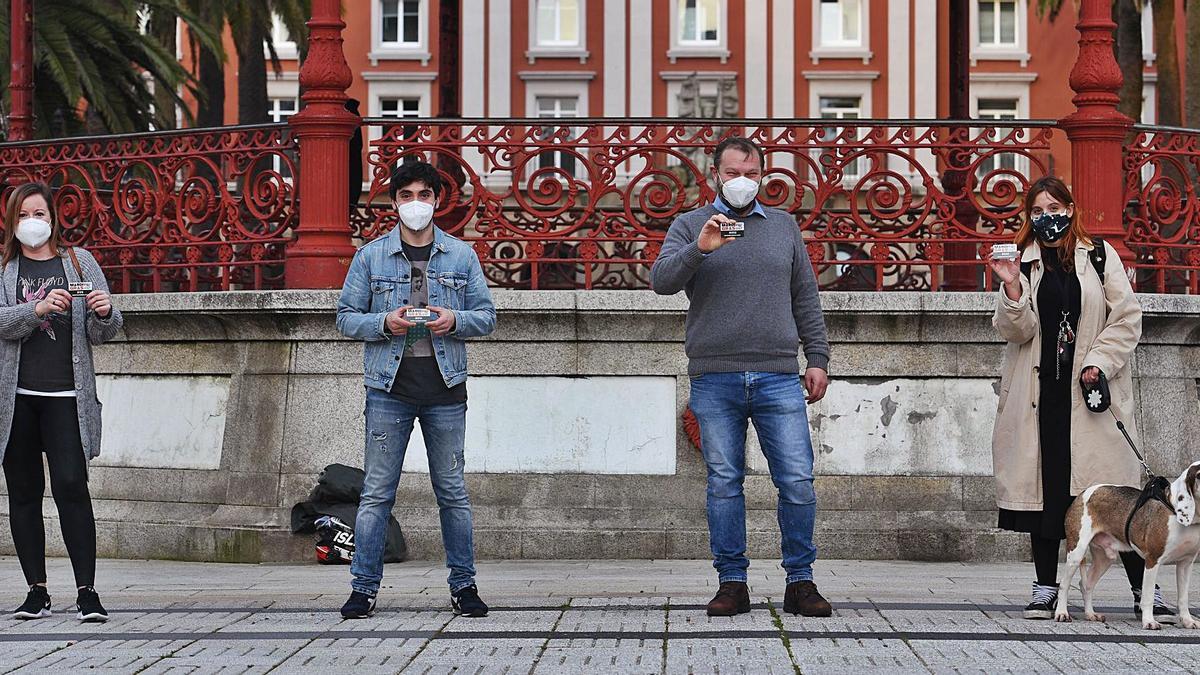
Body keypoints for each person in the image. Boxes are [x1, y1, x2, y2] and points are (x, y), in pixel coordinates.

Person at [650, 137, 833, 617]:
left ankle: (801, 581)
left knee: (797, 480)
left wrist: (817, 358)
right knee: (724, 482)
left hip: (778, 374)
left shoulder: (784, 226)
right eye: (732, 173)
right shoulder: (690, 224)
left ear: (762, 174)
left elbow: (805, 297)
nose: (741, 181)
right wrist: (700, 248)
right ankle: (732, 582)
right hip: (715, 376)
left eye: (750, 173)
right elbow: (662, 281)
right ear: (716, 176)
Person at [988, 175, 1174, 622]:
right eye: (1036, 211)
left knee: (1114, 491)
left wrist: (1099, 361)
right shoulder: (1023, 263)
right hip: (1040, 395)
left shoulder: (1098, 254)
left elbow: (1128, 317)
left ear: (1070, 210)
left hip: (1090, 393)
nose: (1045, 217)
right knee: (1045, 491)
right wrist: (1011, 288)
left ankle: (1143, 590)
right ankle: (1045, 589)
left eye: (1053, 208)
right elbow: (1017, 331)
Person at [336, 160, 496, 619]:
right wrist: (384, 322)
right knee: (377, 492)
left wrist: (457, 320)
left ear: (437, 201)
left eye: (424, 195)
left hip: (446, 390)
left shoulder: (462, 256)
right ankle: (363, 589)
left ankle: (464, 587)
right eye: (406, 196)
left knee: (452, 491)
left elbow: (487, 315)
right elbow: (346, 317)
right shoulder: (370, 256)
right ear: (394, 203)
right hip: (389, 390)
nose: (415, 205)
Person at [0, 181, 122, 622]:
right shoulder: (5, 269)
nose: (33, 223)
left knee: (72, 486)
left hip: (67, 397)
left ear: (54, 217)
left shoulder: (78, 261)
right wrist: (34, 310)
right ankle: (37, 590)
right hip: (16, 400)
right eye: (24, 215)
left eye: (40, 214)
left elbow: (102, 331)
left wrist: (106, 312)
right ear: (12, 222)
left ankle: (87, 591)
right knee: (24, 493)